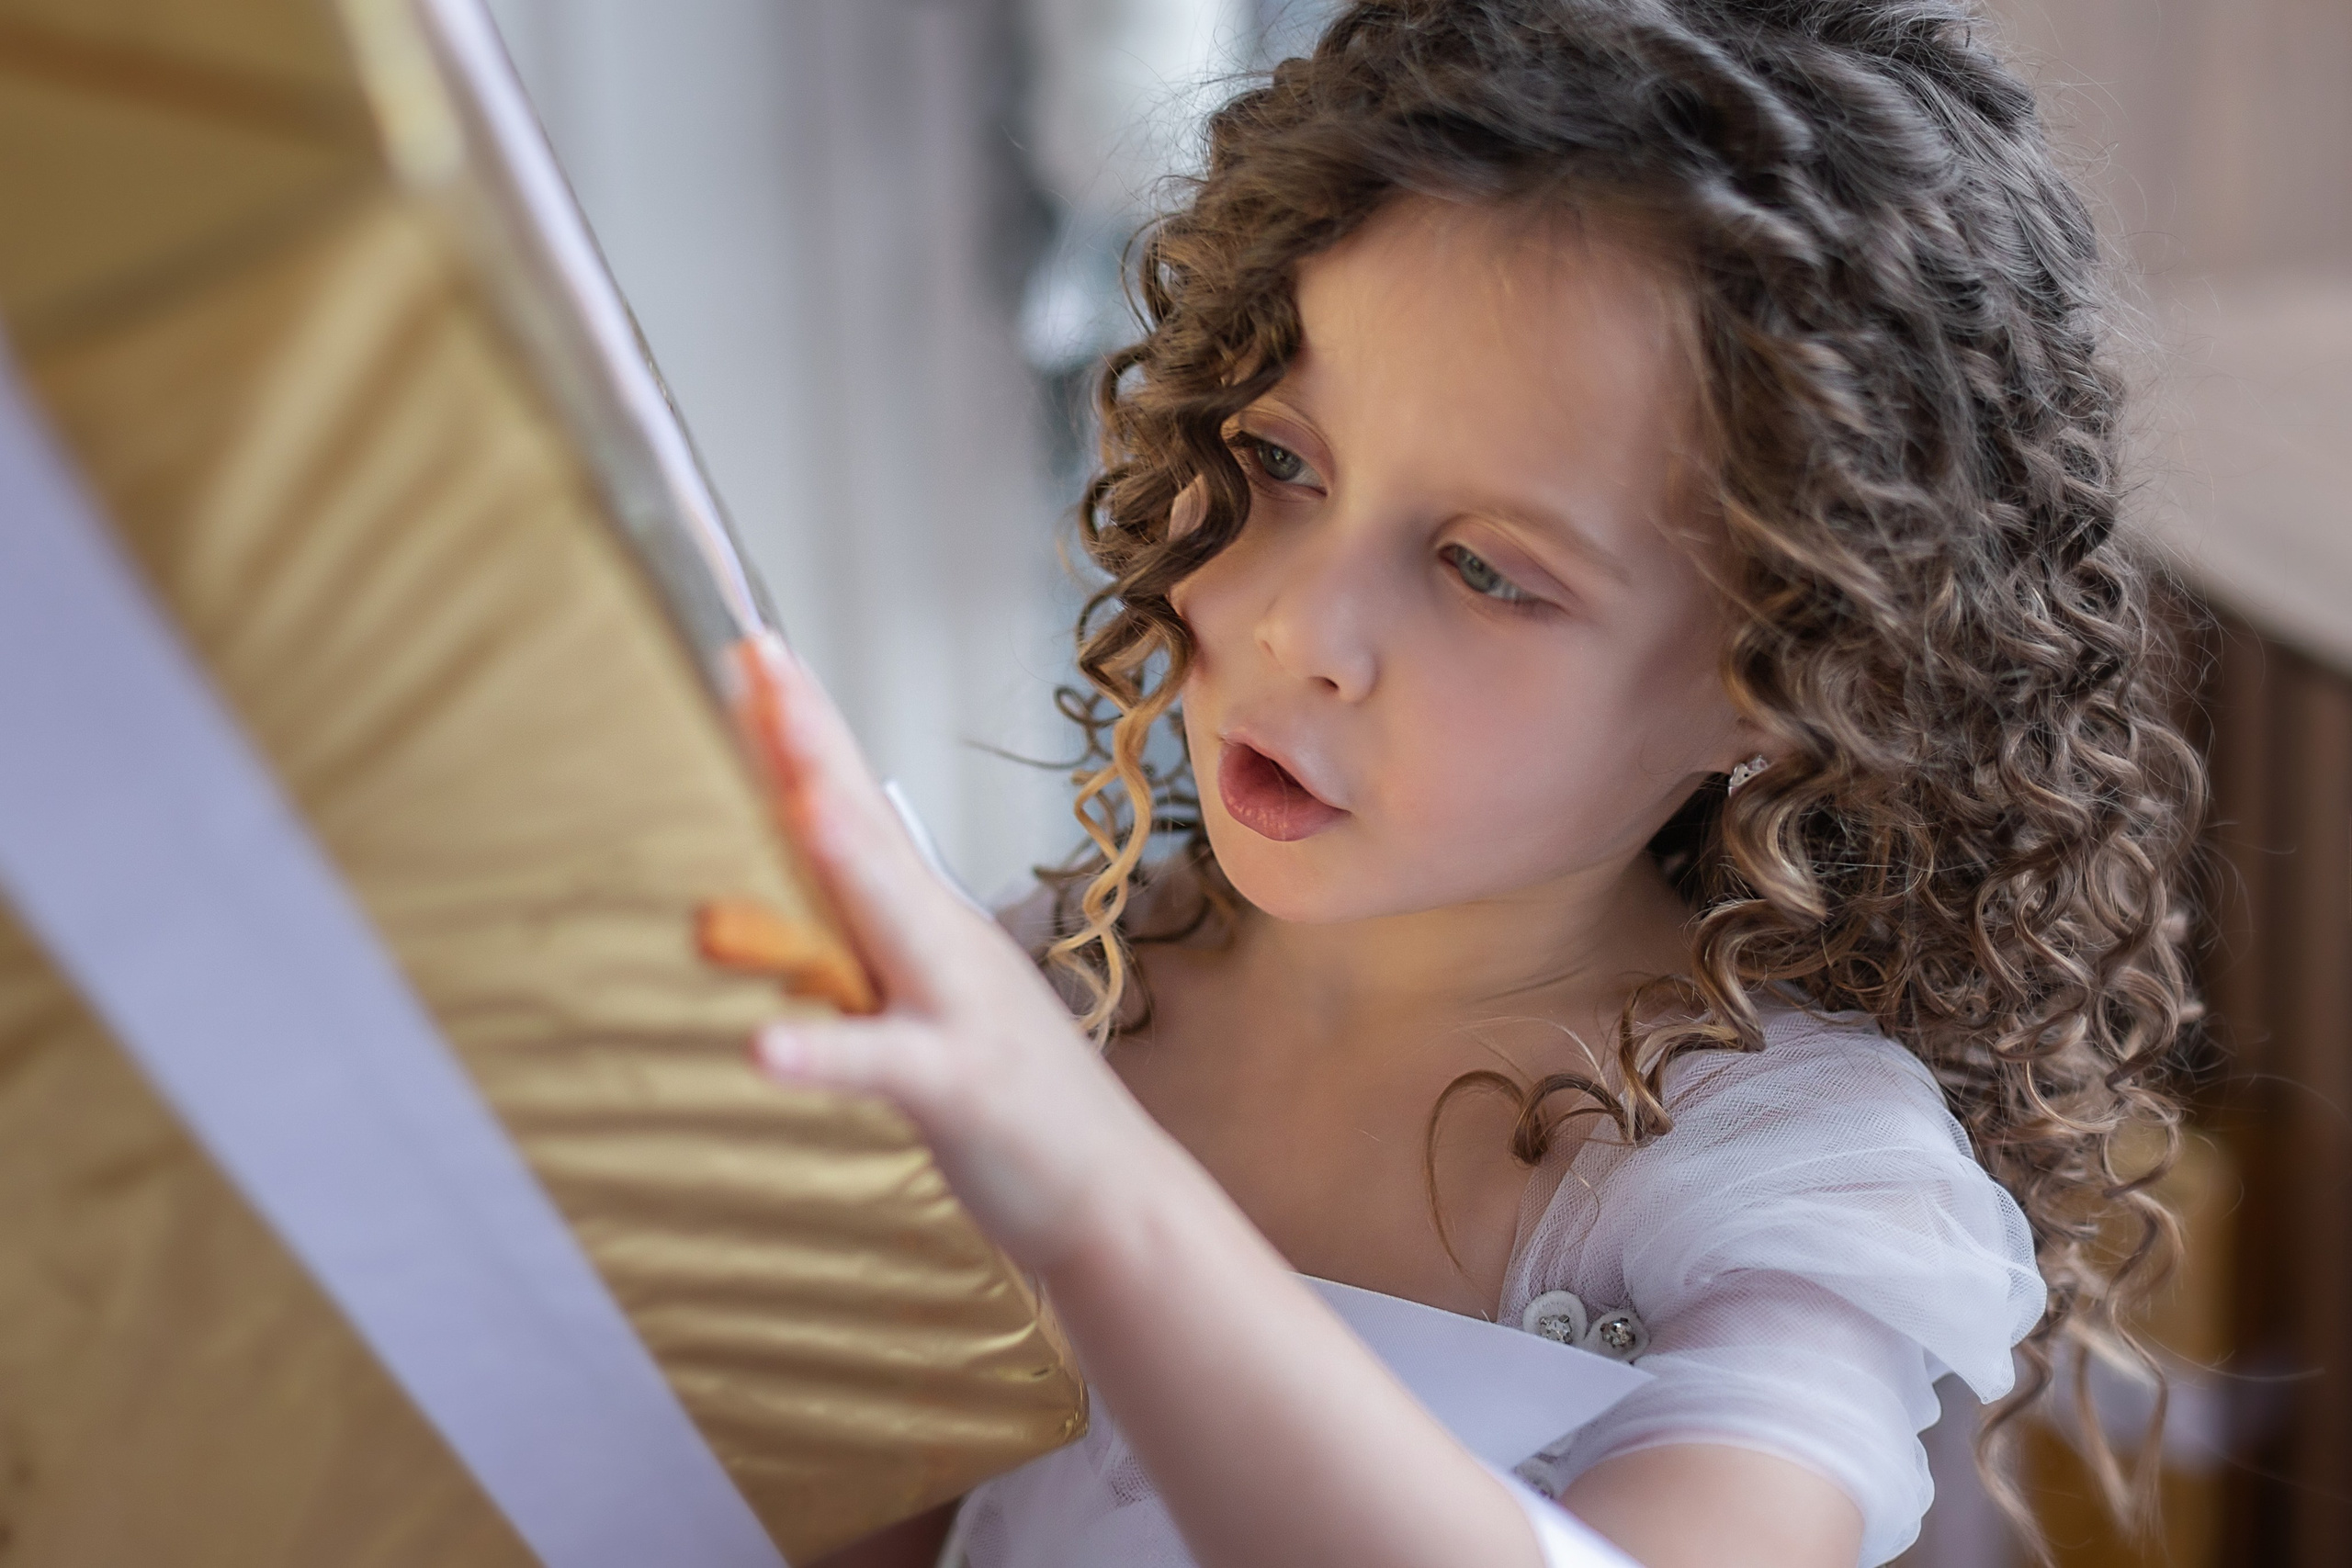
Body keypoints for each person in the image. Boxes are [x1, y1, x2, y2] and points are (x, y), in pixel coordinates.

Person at [760, 3, 2202, 1564]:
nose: (1300, 622)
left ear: (1788, 686)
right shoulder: (1057, 988)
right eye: (1283, 463)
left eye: (1481, 570)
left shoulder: (1786, 1176)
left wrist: (1099, 1196)